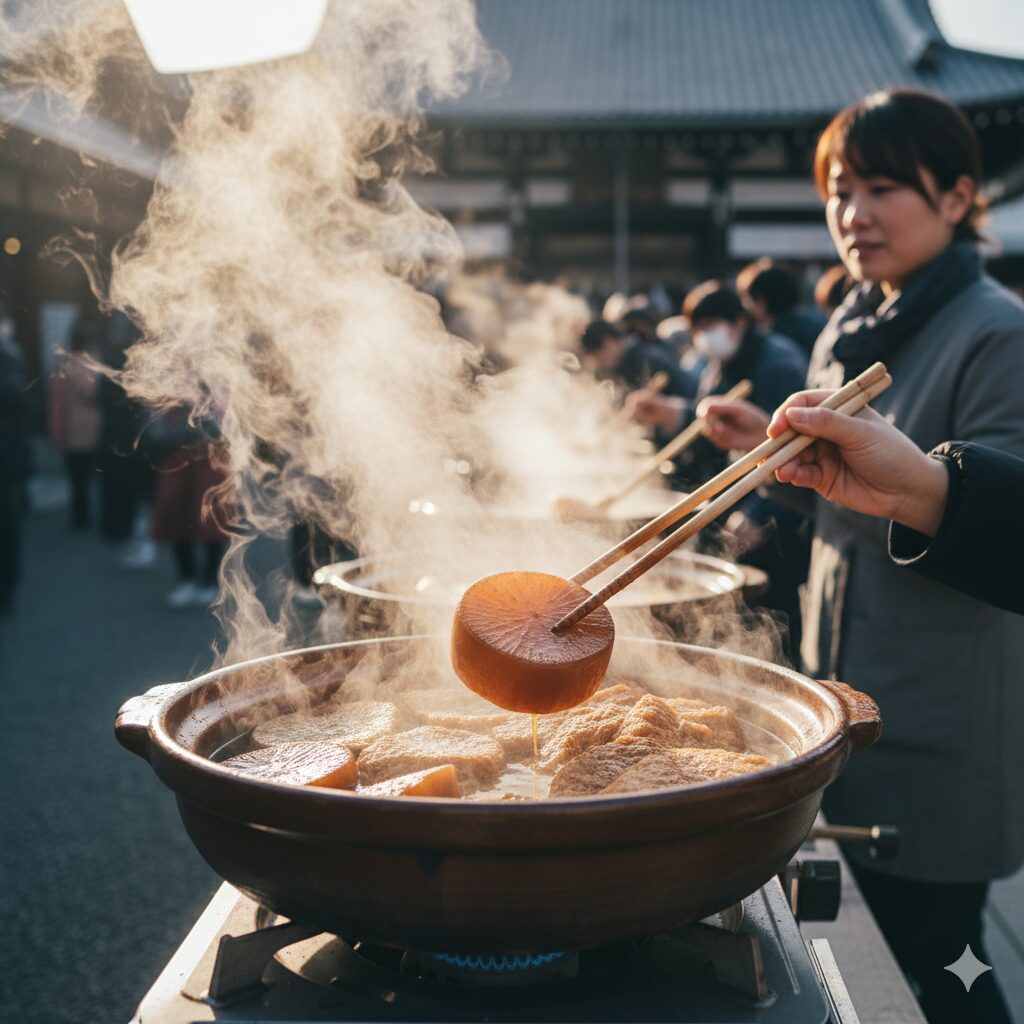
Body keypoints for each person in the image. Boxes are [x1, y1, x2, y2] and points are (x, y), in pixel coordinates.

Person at [699, 88, 1022, 1024]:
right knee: (862, 947)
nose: (855, 214)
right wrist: (770, 443)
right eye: (840, 190)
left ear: (958, 198)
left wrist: (920, 483)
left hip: (941, 717)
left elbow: (1009, 517)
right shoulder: (856, 323)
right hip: (845, 686)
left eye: (885, 188)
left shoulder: (996, 332)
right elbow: (846, 494)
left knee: (952, 960)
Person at [629, 281, 809, 660]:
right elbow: (709, 434)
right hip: (733, 506)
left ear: (739, 321)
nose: (704, 336)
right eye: (698, 328)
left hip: (779, 511)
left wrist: (763, 512)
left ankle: (784, 674)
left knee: (775, 618)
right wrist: (673, 414)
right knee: (733, 621)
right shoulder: (718, 366)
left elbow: (794, 447)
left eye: (711, 324)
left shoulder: (780, 364)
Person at [767, 390, 1023, 616]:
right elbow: (828, 501)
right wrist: (782, 457)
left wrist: (916, 493)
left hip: (936, 644)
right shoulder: (832, 340)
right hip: (830, 620)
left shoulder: (1000, 341)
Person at [147, 406, 229, 609]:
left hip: (211, 452)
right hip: (175, 451)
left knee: (211, 514)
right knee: (175, 511)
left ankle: (211, 579)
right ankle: (187, 579)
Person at [48, 315, 102, 529]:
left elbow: (56, 402)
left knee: (76, 478)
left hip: (72, 430)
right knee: (89, 477)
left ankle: (79, 518)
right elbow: (95, 394)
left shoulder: (64, 366)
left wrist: (55, 432)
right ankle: (87, 517)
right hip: (95, 430)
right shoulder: (95, 365)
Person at [0, 305, 32, 616]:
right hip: (9, 459)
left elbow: (17, 401)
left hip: (6, 462)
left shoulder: (8, 358)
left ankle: (6, 591)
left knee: (7, 529)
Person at [736, 258, 827, 356]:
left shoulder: (774, 341)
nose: (745, 305)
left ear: (762, 301)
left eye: (749, 299)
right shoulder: (812, 324)